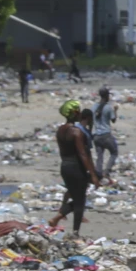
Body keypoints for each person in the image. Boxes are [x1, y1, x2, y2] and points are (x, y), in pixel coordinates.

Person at [49, 100, 100, 235]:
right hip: (76, 167)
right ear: (75, 114)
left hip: (65, 166)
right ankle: (74, 231)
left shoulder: (60, 130)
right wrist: (93, 174)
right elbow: (83, 154)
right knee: (79, 201)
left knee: (75, 196)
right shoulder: (77, 132)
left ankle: (57, 218)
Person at [92, 87, 118, 181]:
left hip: (96, 135)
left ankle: (98, 173)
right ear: (107, 96)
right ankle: (106, 172)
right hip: (106, 134)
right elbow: (113, 120)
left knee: (100, 156)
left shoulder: (94, 107)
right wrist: (115, 110)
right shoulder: (108, 107)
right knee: (114, 152)